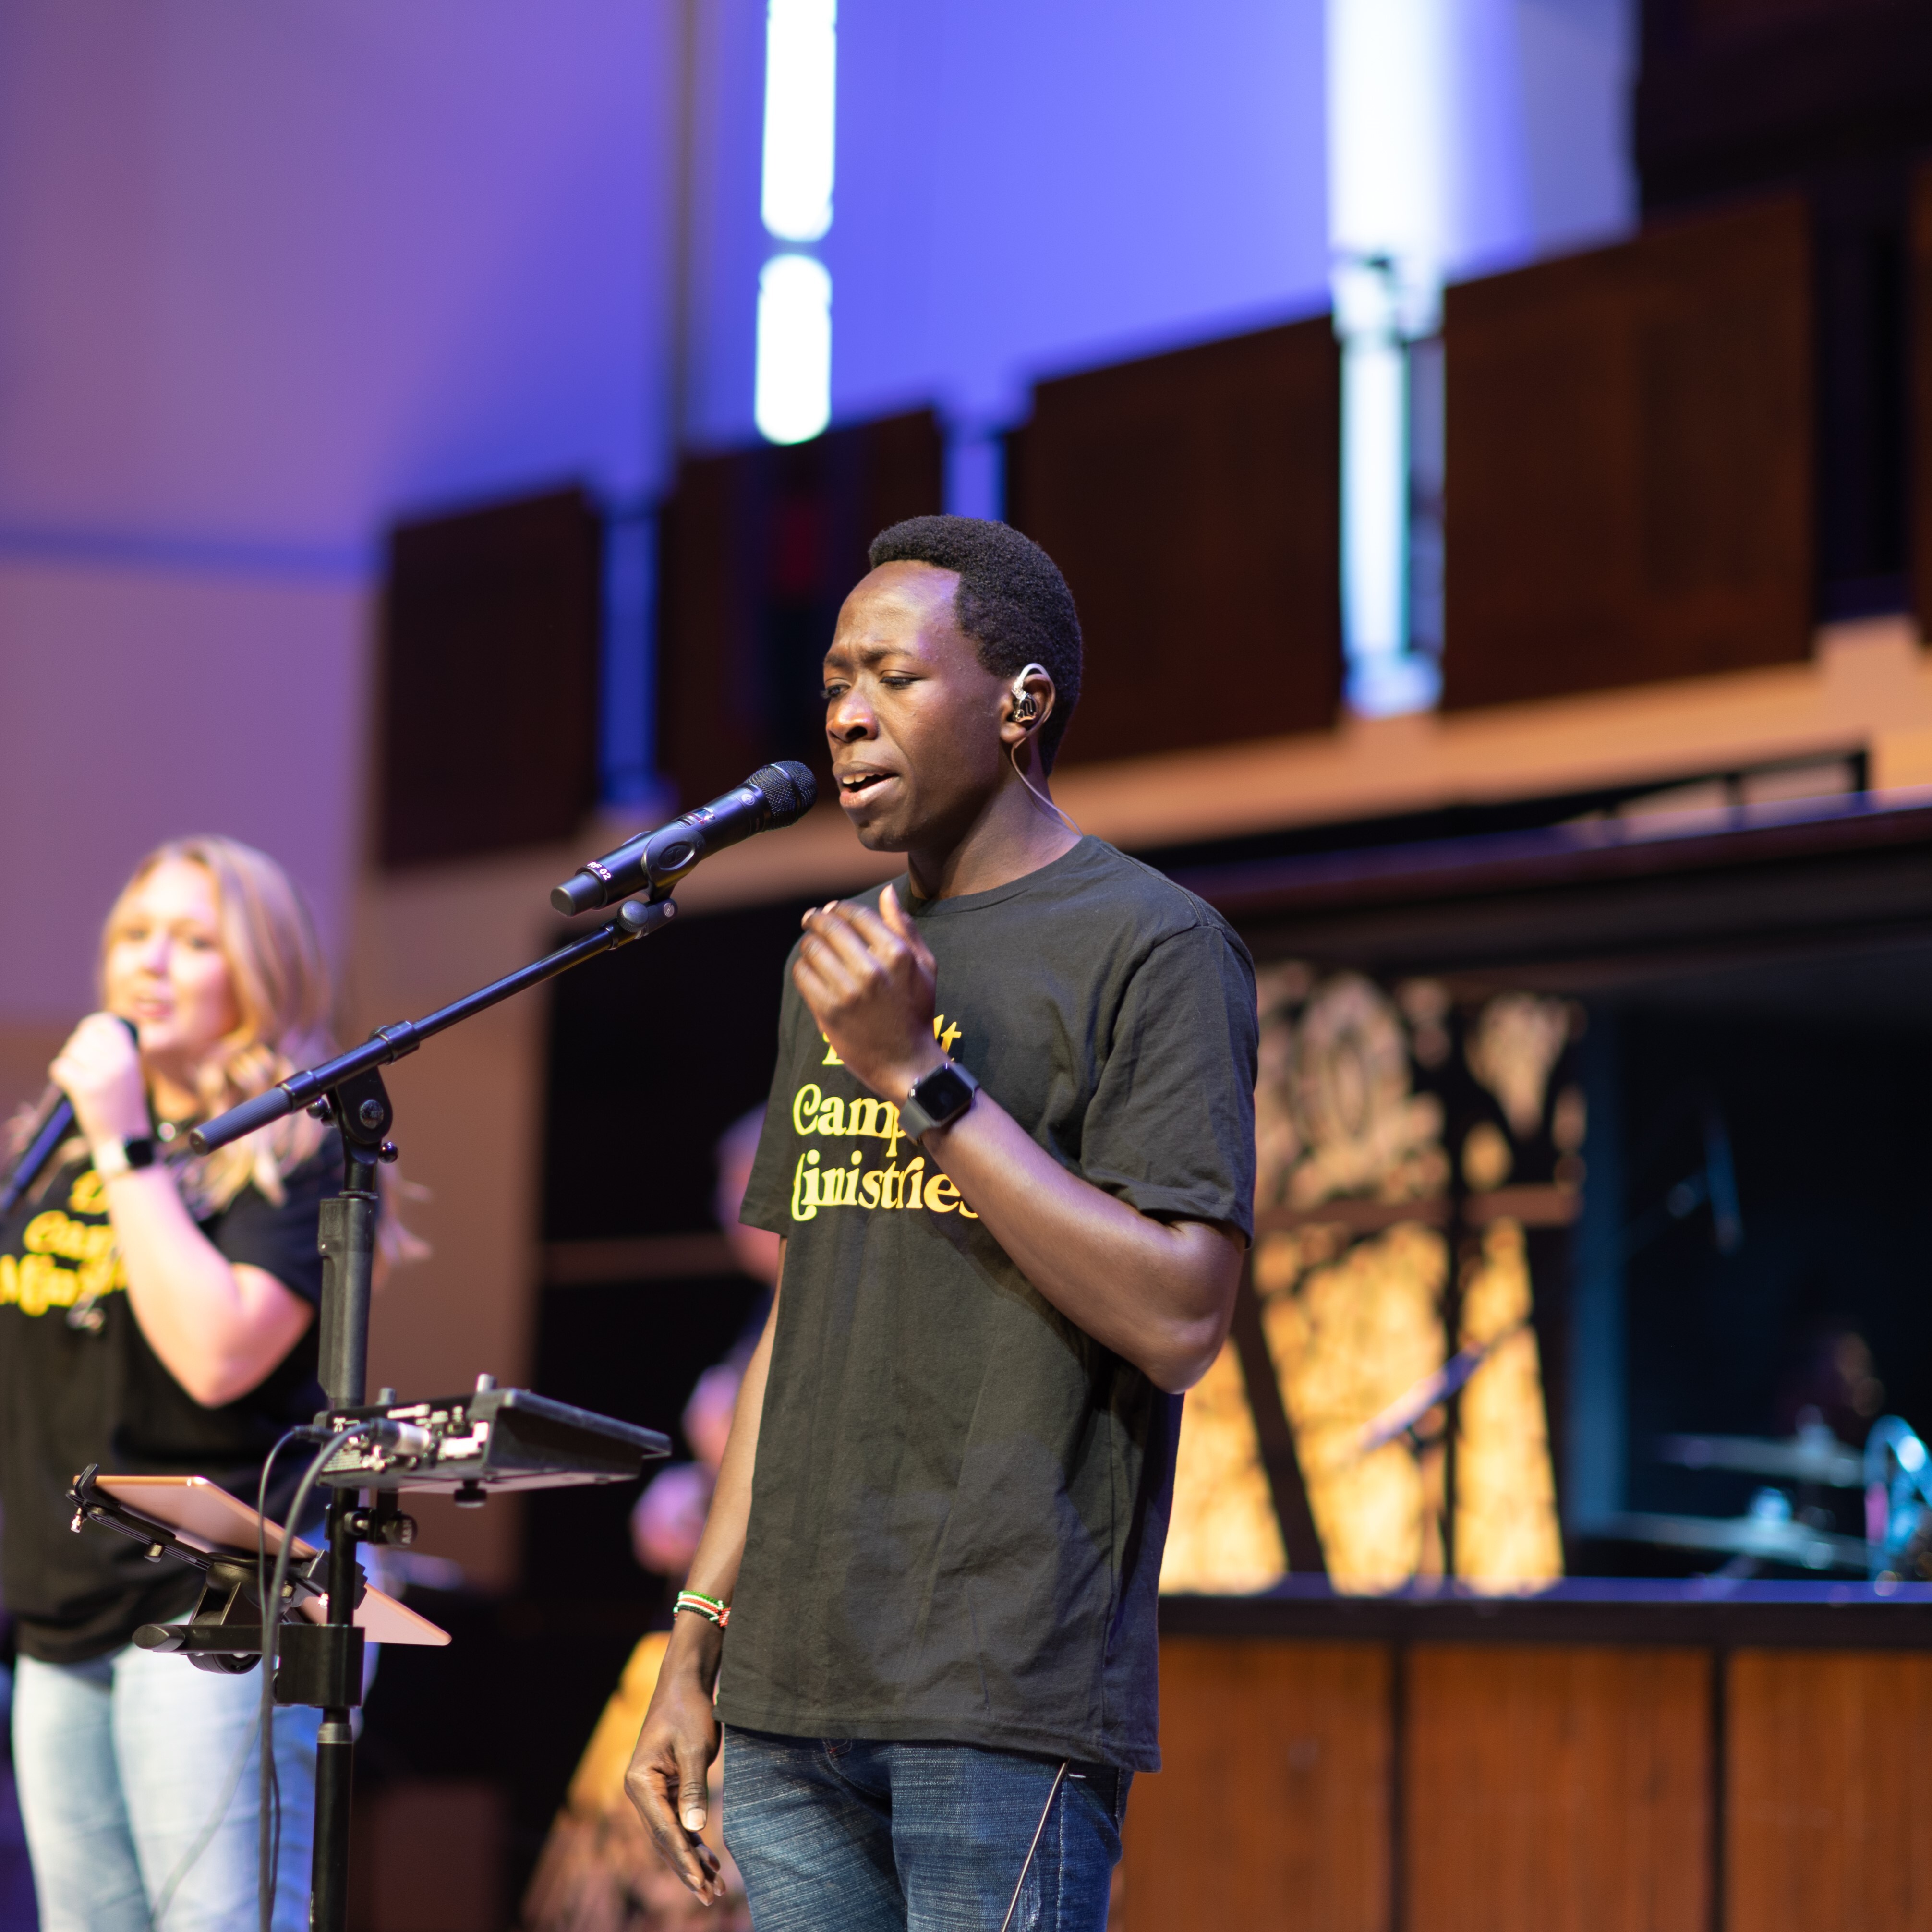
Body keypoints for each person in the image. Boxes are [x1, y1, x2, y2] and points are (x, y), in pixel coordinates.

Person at [625, 517, 1258, 1930]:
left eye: (893, 678)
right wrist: (695, 1645)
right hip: (791, 1685)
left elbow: (1180, 1317)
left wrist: (918, 1074)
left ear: (1023, 703)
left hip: (999, 1687)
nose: (847, 714)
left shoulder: (1153, 948)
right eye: (835, 682)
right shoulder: (839, 955)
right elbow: (796, 1325)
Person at [0, 836, 386, 1932]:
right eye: (134, 933)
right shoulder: (60, 1154)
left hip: (204, 1615)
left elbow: (219, 1354)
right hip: (55, 1614)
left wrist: (129, 1148)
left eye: (193, 938)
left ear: (263, 970)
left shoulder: (294, 1152)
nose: (149, 962)